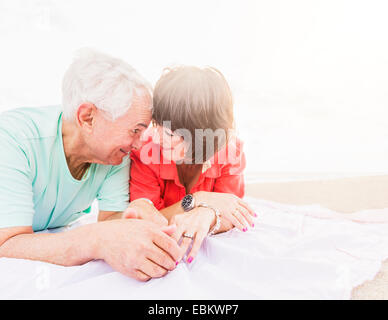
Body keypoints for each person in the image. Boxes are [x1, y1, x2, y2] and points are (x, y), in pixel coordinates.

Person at [0, 49, 183, 282]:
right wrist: (95, 240)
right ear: (87, 117)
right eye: (135, 130)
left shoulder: (113, 156)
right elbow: (6, 242)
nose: (139, 145)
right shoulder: (12, 140)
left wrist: (136, 212)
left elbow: (109, 220)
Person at [129, 66, 257, 264]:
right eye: (157, 125)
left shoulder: (230, 151)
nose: (160, 138)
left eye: (171, 134)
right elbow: (148, 218)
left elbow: (233, 211)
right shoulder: (145, 153)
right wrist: (198, 200)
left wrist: (208, 215)